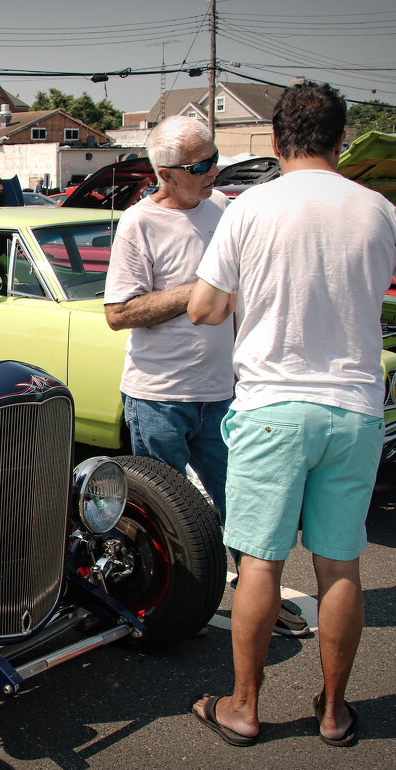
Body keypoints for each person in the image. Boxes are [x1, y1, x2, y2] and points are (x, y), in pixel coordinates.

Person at [186, 82, 396, 748]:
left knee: (260, 565)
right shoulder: (377, 211)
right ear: (342, 140)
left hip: (271, 409)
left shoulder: (247, 210)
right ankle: (333, 713)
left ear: (276, 141)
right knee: (339, 567)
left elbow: (205, 311)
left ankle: (244, 708)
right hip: (354, 409)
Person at [102, 116, 313, 637]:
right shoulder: (138, 224)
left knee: (244, 502)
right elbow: (119, 313)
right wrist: (198, 290)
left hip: (223, 391)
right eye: (200, 165)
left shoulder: (225, 209)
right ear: (166, 174)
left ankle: (257, 597)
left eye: (214, 158)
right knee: (167, 517)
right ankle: (171, 602)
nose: (213, 170)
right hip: (159, 397)